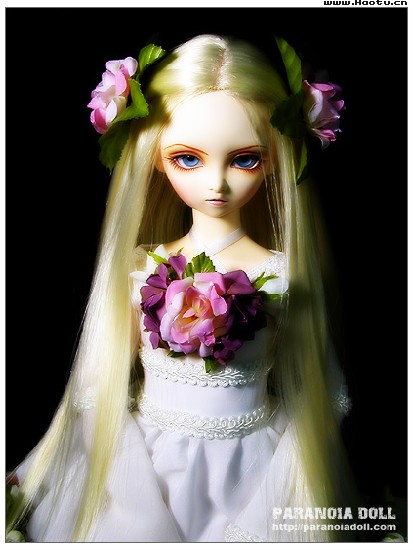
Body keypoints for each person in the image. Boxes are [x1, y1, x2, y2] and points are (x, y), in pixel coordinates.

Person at [7, 33, 355, 542]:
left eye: (246, 159)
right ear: (154, 157)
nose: (217, 183)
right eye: (187, 158)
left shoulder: (283, 276)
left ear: (277, 157)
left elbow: (319, 392)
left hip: (251, 466)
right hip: (146, 461)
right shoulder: (140, 268)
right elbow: (96, 384)